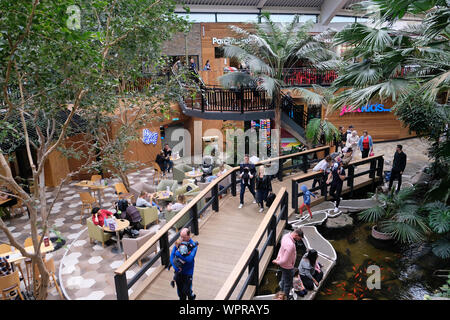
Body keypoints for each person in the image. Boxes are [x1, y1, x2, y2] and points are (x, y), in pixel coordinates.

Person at [272, 228, 304, 299]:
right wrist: (278, 262)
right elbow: (285, 260)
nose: (300, 239)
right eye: (300, 237)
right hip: (287, 266)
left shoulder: (285, 236)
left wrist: (278, 258)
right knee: (288, 284)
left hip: (283, 265)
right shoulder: (290, 245)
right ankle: (284, 297)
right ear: (296, 235)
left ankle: (281, 293)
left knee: (284, 279)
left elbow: (281, 249)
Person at [170, 228, 198, 300]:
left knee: (187, 290)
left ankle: (191, 296)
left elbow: (189, 259)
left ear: (189, 236)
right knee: (180, 293)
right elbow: (172, 256)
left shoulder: (193, 245)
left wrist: (178, 254)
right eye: (181, 236)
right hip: (178, 272)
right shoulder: (179, 242)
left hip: (188, 272)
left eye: (184, 237)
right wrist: (175, 267)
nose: (182, 239)